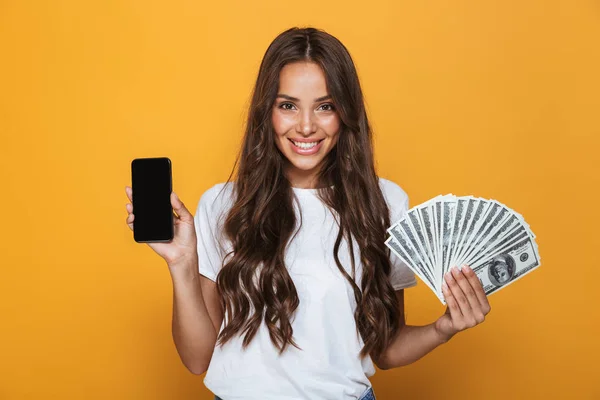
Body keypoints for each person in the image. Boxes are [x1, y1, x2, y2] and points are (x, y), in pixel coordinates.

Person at [124, 26, 491, 400]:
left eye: (325, 106)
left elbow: (385, 349)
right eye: (288, 105)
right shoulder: (223, 205)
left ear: (346, 112)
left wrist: (443, 328)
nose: (305, 126)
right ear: (266, 112)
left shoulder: (384, 204)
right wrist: (183, 264)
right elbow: (197, 358)